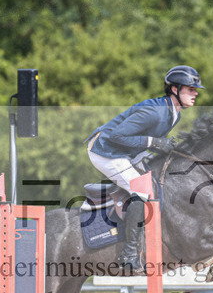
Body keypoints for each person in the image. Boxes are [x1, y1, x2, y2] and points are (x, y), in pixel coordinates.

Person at [86, 65, 205, 272]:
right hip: (106, 151)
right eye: (190, 89)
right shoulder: (155, 112)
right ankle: (129, 253)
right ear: (175, 89)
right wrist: (155, 142)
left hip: (126, 150)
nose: (195, 94)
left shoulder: (174, 113)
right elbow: (117, 136)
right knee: (142, 191)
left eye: (195, 90)